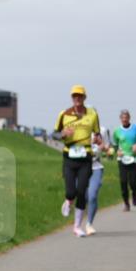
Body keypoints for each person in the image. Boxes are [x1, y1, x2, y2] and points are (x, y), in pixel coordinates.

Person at [54, 85, 100, 237]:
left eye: (80, 96)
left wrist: (98, 140)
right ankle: (68, 200)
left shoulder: (92, 114)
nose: (77, 99)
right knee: (70, 191)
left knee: (82, 191)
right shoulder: (64, 114)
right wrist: (63, 134)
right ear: (72, 98)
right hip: (69, 156)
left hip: (86, 156)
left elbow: (97, 134)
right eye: (74, 96)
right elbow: (54, 134)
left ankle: (77, 226)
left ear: (84, 98)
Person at [111, 109, 136, 211]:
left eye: (126, 118)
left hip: (134, 159)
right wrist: (117, 151)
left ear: (129, 118)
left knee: (133, 182)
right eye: (123, 118)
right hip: (122, 159)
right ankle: (126, 203)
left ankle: (134, 194)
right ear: (120, 119)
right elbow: (115, 144)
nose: (125, 120)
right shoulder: (117, 131)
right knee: (123, 182)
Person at [82, 126, 111, 235]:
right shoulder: (78, 128)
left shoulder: (102, 130)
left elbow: (107, 147)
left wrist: (102, 145)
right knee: (83, 196)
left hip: (96, 167)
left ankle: (89, 224)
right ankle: (84, 212)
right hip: (81, 167)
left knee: (92, 195)